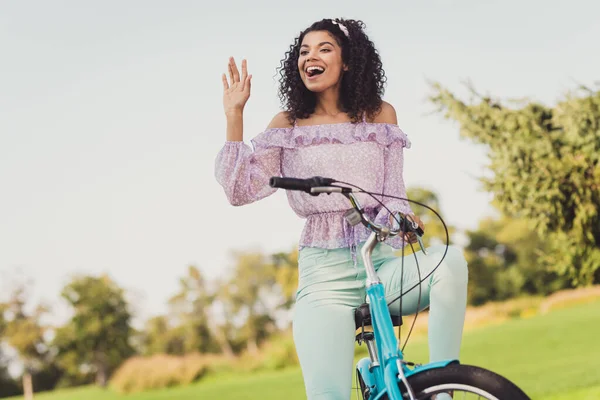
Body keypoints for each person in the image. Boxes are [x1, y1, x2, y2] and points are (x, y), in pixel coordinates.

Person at [215, 18, 468, 400]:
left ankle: (444, 387)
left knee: (449, 264)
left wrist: (401, 220)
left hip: (381, 264)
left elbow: (393, 194)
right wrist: (234, 115)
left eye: (323, 49)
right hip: (323, 279)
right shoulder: (287, 125)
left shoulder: (380, 116)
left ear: (347, 61)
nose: (310, 57)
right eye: (303, 51)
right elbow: (240, 190)